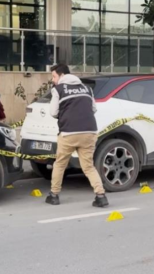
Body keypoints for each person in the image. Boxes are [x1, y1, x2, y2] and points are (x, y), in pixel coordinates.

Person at [45, 64, 109, 208]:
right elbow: (94, 109)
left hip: (68, 132)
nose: (53, 80)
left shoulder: (58, 89)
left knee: (60, 164)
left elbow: (53, 112)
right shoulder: (87, 89)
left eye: (54, 76)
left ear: (61, 75)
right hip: (89, 132)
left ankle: (54, 195)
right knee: (88, 167)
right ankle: (101, 196)